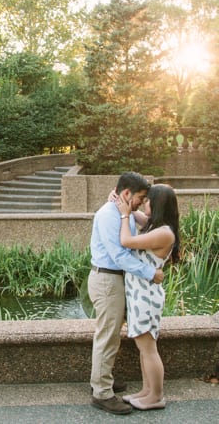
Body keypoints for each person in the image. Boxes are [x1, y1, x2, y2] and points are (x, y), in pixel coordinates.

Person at [88, 172, 165, 415]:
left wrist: (129, 211)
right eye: (140, 198)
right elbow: (119, 256)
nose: (142, 202)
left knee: (112, 333)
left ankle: (103, 378)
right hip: (108, 280)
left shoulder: (123, 212)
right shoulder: (109, 215)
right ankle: (101, 392)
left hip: (115, 280)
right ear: (126, 194)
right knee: (108, 335)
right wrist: (149, 272)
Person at [115, 183, 181, 411]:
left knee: (148, 348)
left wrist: (124, 217)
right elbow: (138, 214)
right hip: (140, 294)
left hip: (146, 296)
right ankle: (147, 391)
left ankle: (157, 396)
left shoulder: (163, 233)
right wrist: (121, 201)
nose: (144, 203)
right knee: (144, 348)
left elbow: (126, 241)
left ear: (158, 202)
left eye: (148, 199)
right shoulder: (156, 226)